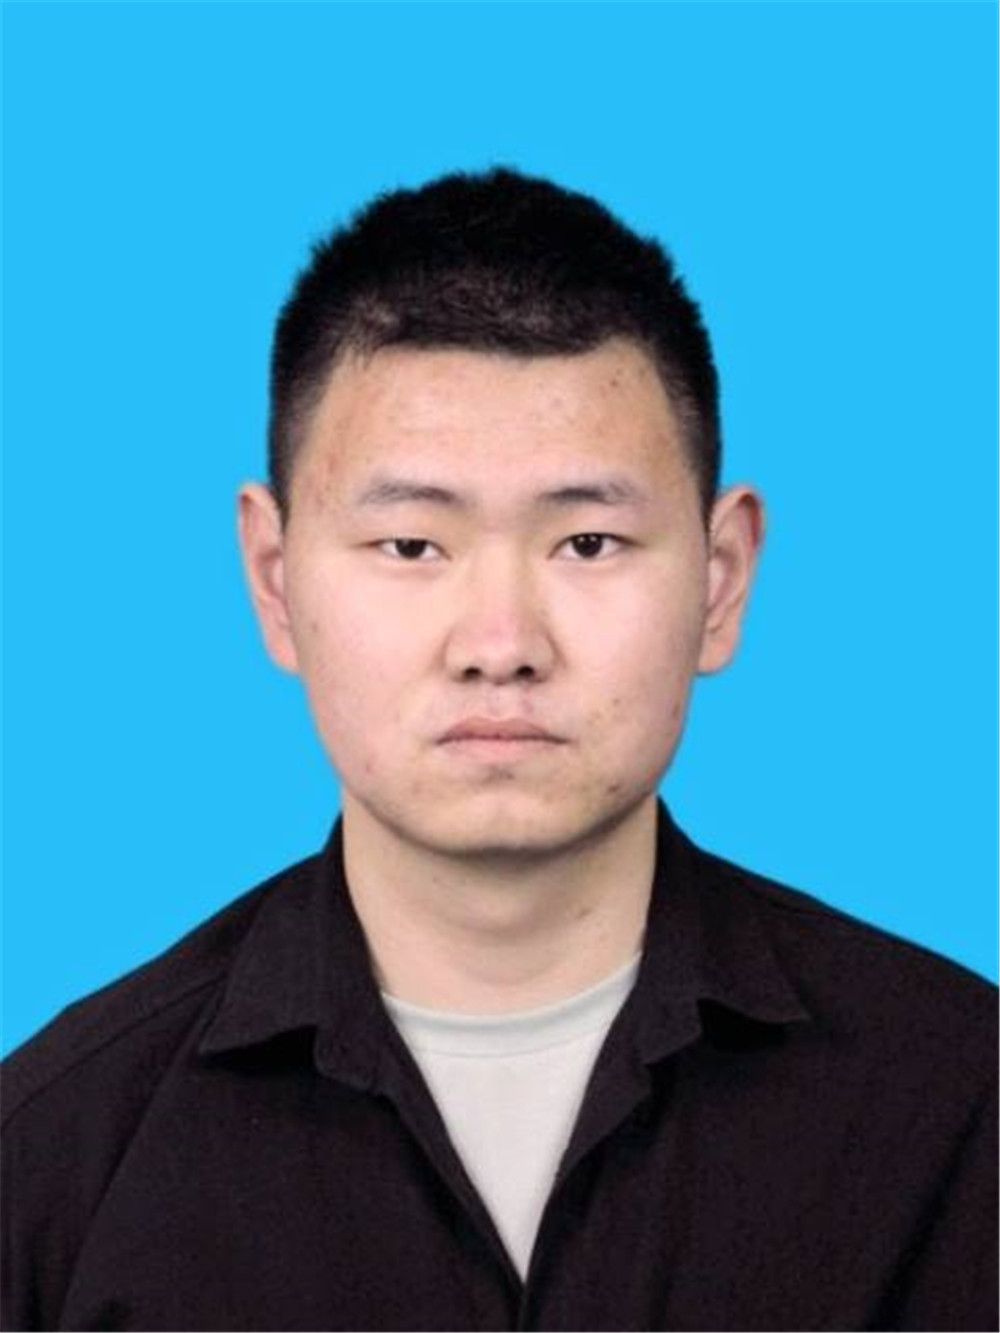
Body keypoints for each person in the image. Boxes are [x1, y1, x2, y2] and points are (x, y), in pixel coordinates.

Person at [2, 168, 995, 1333]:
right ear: (274, 581)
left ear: (720, 580)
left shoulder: (961, 1108)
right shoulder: (55, 1158)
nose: (500, 645)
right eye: (411, 545)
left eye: (588, 541)